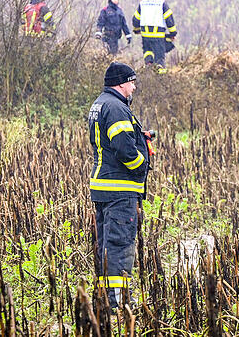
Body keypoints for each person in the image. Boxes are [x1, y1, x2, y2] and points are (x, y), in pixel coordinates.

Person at [87, 62, 149, 309]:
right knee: (120, 243)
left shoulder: (101, 103)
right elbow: (124, 148)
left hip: (104, 186)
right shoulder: (116, 108)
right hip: (119, 188)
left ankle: (106, 295)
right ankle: (119, 300)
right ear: (122, 83)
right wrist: (141, 165)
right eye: (132, 82)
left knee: (106, 243)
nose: (134, 86)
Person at [132, 0, 177, 74]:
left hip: (145, 34)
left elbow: (136, 18)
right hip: (158, 34)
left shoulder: (142, 3)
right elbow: (169, 18)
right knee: (159, 57)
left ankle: (148, 65)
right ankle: (161, 77)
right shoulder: (162, 3)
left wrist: (136, 29)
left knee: (148, 51)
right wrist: (172, 33)